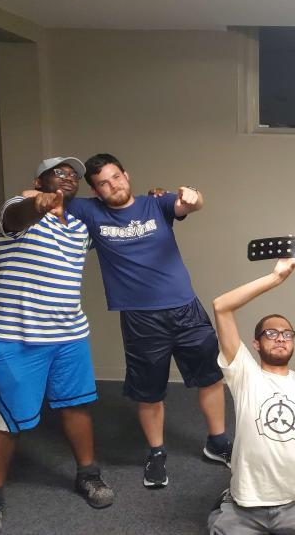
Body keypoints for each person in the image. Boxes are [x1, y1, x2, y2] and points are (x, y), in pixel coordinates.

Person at [66, 153, 230, 489]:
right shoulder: (90, 212)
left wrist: (194, 196)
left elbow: (190, 204)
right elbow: (49, 201)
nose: (113, 186)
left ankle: (218, 443)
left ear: (126, 175)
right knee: (149, 392)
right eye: (103, 183)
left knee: (210, 377)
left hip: (186, 308)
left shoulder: (156, 203)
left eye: (116, 177)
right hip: (141, 319)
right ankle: (156, 454)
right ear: (95, 191)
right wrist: (33, 193)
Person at [0, 157, 113, 535]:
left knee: (75, 406)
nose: (68, 177)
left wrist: (158, 202)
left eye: (73, 175)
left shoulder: (80, 227)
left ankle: (88, 474)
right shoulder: (16, 210)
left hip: (69, 336)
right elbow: (17, 215)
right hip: (15, 337)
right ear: (39, 181)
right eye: (59, 172)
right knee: (6, 421)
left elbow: (119, 220)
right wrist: (36, 204)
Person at [208, 246, 295, 535]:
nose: (280, 338)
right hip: (245, 507)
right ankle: (225, 503)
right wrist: (276, 277)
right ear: (256, 344)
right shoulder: (243, 373)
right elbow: (221, 306)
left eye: (287, 334)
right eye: (271, 333)